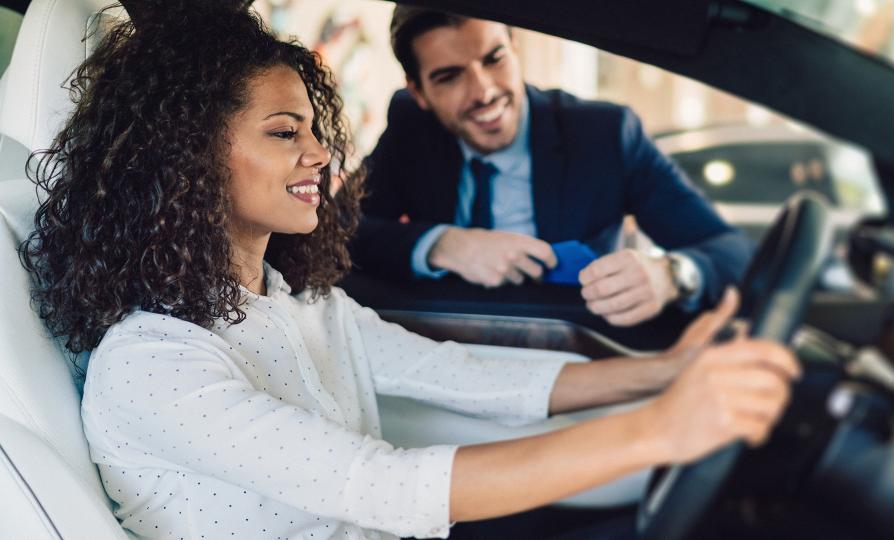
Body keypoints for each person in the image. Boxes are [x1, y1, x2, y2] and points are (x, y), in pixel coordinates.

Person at [20, 4, 798, 540]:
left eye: (316, 131)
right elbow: (381, 484)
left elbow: (460, 372)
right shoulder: (155, 364)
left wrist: (659, 371)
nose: (322, 155)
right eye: (287, 132)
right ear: (187, 158)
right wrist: (659, 428)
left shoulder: (295, 303)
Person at [351, 7, 755, 327]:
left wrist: (672, 275)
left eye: (494, 59)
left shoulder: (605, 135)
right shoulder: (411, 127)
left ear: (516, 48)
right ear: (418, 92)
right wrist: (440, 245)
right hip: (441, 347)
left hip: (578, 348)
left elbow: (730, 252)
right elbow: (339, 232)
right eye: (450, 77)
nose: (485, 92)